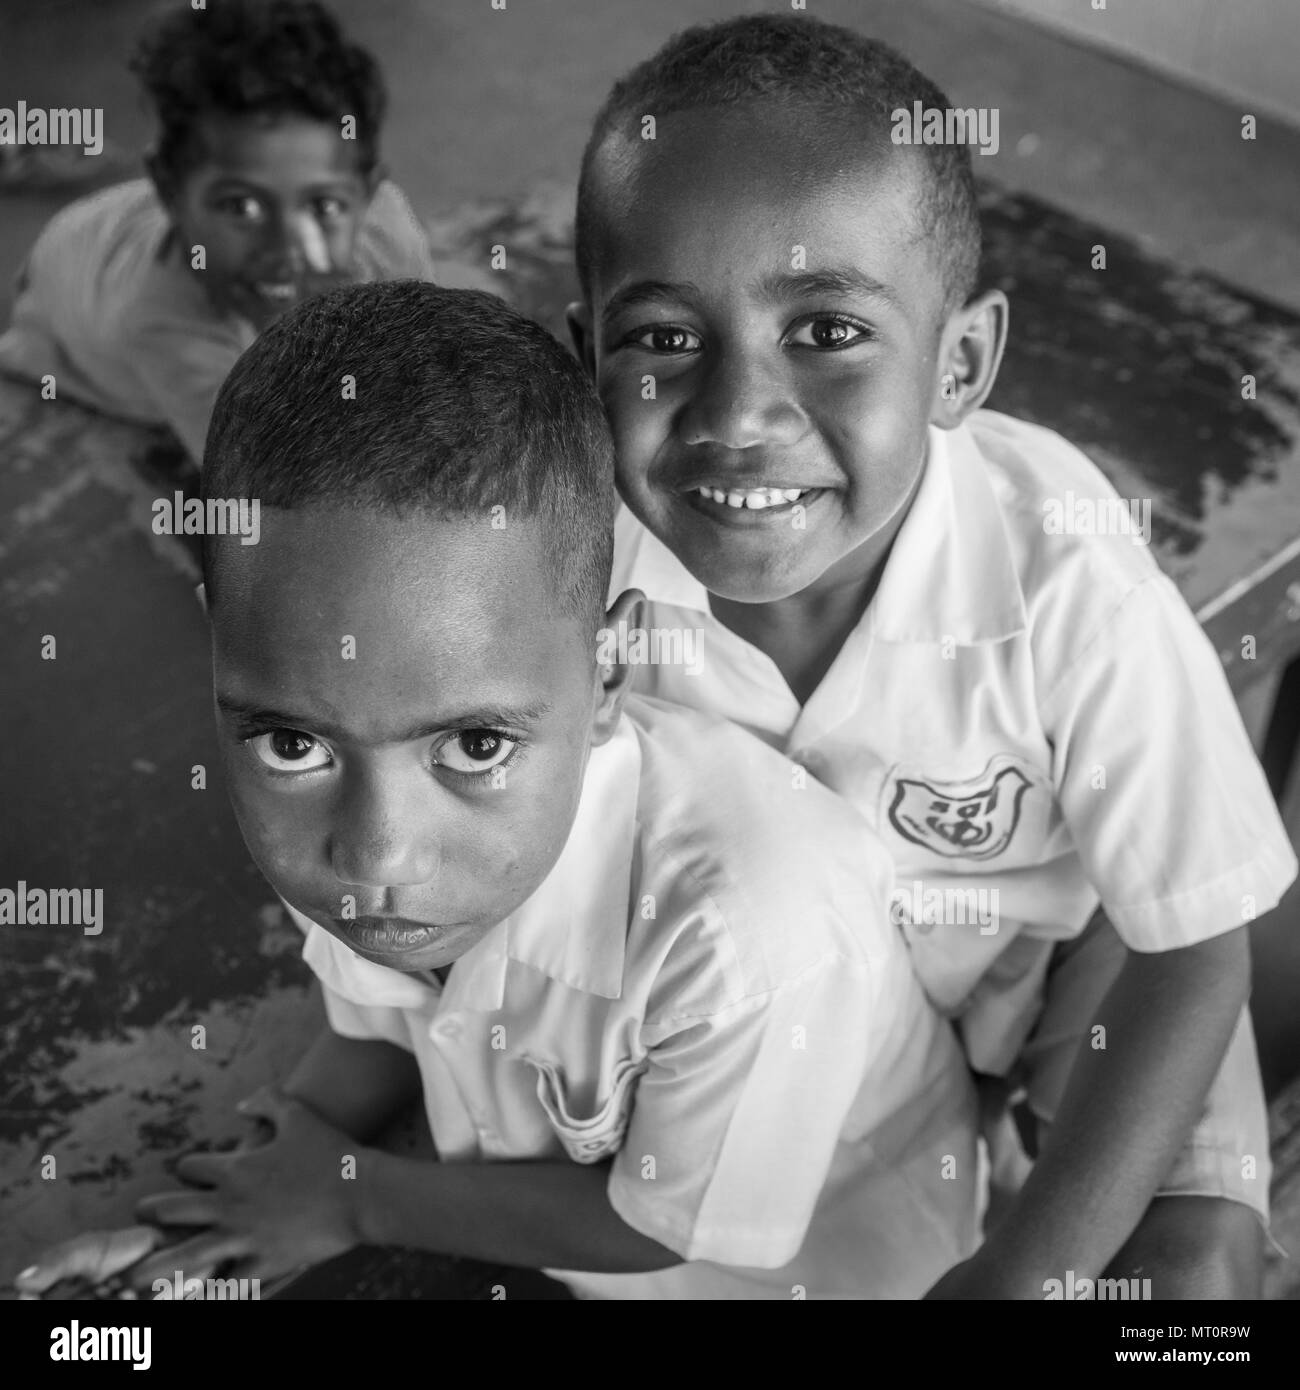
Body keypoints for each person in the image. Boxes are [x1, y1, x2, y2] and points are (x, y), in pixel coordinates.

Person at [15, 281, 978, 1300]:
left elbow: (663, 1224)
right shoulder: (371, 812)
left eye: (475, 744)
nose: (378, 857)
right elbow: (380, 1017)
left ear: (608, 672)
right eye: (295, 743)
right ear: (223, 644)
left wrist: (350, 1197)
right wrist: (284, 1154)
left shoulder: (750, 935)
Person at [567, 13, 1297, 1297]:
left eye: (828, 332)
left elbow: (1192, 947)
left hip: (1078, 965)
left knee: (1190, 1277)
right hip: (805, 1024)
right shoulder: (562, 571)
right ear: (589, 352)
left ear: (960, 362)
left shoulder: (1065, 569)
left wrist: (1028, 1269)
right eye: (662, 337)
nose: (738, 416)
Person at [0, 0, 433, 464]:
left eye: (323, 205)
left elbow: (421, 363)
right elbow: (261, 476)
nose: (286, 249)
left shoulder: (390, 232)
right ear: (166, 189)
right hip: (60, 316)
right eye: (241, 207)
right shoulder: (164, 325)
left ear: (368, 193)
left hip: (99, 229)